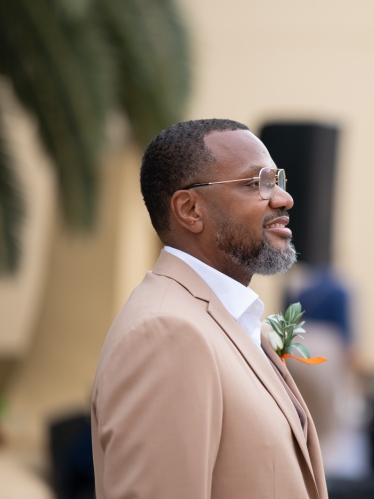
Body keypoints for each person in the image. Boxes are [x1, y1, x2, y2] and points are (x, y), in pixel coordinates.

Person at [91, 119, 327, 498]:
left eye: (277, 180)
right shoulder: (165, 332)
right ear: (190, 210)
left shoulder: (229, 318)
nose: (284, 199)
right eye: (256, 184)